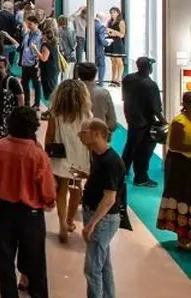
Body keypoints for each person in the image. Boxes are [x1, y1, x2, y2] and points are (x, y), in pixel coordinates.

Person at [0, 106, 56, 298]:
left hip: (3, 210)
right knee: (36, 263)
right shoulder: (38, 154)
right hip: (31, 214)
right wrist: (49, 201)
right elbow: (47, 191)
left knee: (5, 260)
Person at [78, 118, 125, 298]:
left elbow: (109, 198)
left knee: (92, 268)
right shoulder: (97, 155)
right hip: (95, 213)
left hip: (103, 219)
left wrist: (91, 224)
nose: (80, 136)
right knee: (103, 264)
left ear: (96, 134)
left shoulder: (111, 162)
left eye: (83, 133)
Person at [44, 79, 92, 243]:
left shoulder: (55, 114)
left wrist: (47, 154)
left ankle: (62, 223)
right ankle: (70, 220)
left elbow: (49, 136)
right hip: (79, 159)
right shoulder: (86, 115)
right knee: (76, 188)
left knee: (61, 191)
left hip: (61, 158)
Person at [120, 56, 164, 187]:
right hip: (145, 122)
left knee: (131, 144)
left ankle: (123, 169)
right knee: (144, 151)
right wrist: (165, 122)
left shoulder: (128, 79)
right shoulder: (150, 85)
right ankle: (141, 177)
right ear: (149, 68)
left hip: (131, 118)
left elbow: (124, 98)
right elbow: (156, 109)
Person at [157, 91, 191, 250]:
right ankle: (182, 238)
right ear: (186, 105)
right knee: (182, 198)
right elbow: (175, 145)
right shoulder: (179, 122)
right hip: (180, 166)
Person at [76, 61, 117, 133]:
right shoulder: (103, 93)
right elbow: (112, 122)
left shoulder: (71, 93)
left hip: (76, 133)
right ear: (95, 75)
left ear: (78, 75)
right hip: (99, 134)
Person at [18, 16, 46, 109]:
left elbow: (42, 50)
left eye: (30, 24)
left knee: (36, 85)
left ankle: (36, 104)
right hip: (25, 63)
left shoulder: (41, 36)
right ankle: (27, 103)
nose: (28, 25)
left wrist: (38, 62)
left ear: (36, 24)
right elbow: (24, 47)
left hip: (34, 64)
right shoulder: (27, 34)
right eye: (28, 24)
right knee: (24, 84)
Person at [104, 8, 126, 86]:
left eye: (114, 12)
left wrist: (113, 31)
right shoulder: (109, 21)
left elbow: (122, 35)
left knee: (118, 61)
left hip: (117, 42)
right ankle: (113, 79)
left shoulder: (121, 22)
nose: (112, 14)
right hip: (110, 41)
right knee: (113, 62)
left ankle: (118, 79)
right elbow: (107, 31)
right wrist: (110, 32)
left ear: (118, 13)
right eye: (111, 12)